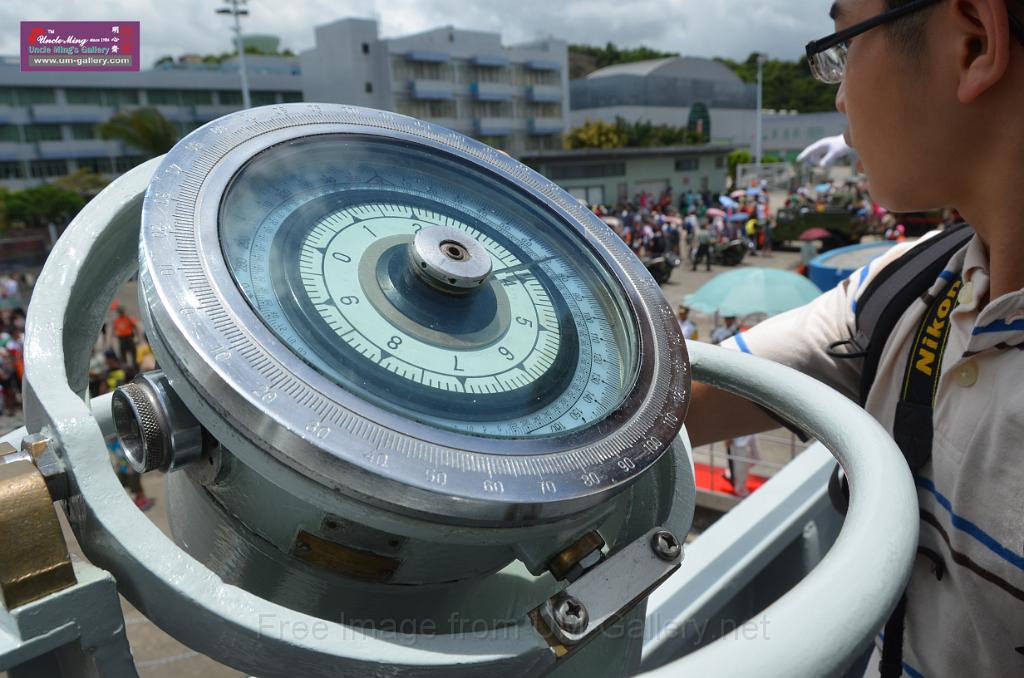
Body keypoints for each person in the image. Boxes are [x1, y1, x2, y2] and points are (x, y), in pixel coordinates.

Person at [686, 2, 1024, 676]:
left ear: (973, 43)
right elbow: (671, 401)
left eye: (843, 46)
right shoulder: (907, 285)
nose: (839, 97)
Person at [112, 306, 138, 371]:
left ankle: (135, 367)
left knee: (133, 353)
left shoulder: (128, 318)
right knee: (123, 355)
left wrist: (136, 336)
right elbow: (115, 329)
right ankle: (126, 369)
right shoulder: (117, 320)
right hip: (122, 338)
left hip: (128, 337)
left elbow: (135, 326)